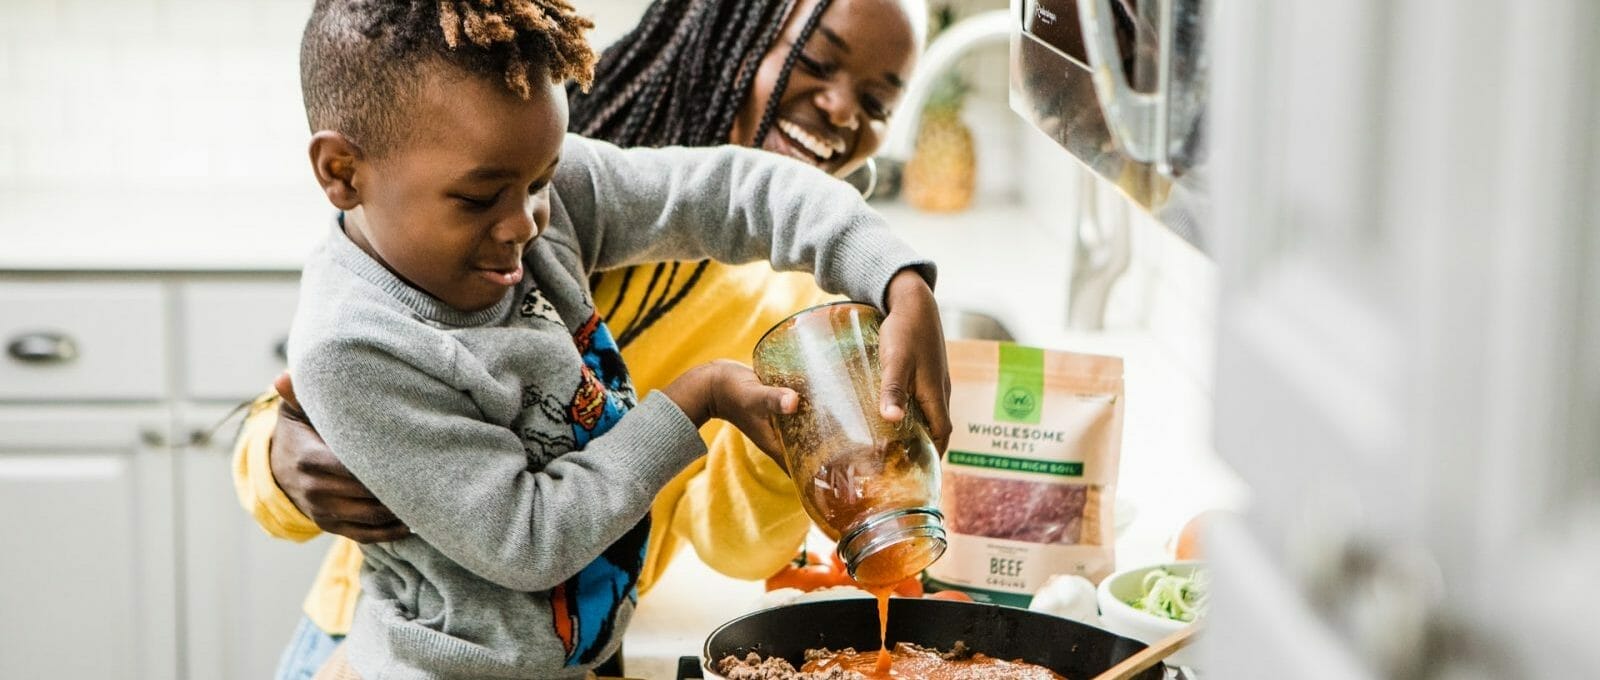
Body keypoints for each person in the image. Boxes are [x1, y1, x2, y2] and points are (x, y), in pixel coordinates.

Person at [232, 0, 928, 677]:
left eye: (878, 102)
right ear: (341, 173)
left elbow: (727, 189)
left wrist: (896, 276)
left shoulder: (526, 171)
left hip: (572, 648)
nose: (528, 225)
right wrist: (695, 399)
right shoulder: (369, 327)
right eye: (814, 61)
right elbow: (530, 539)